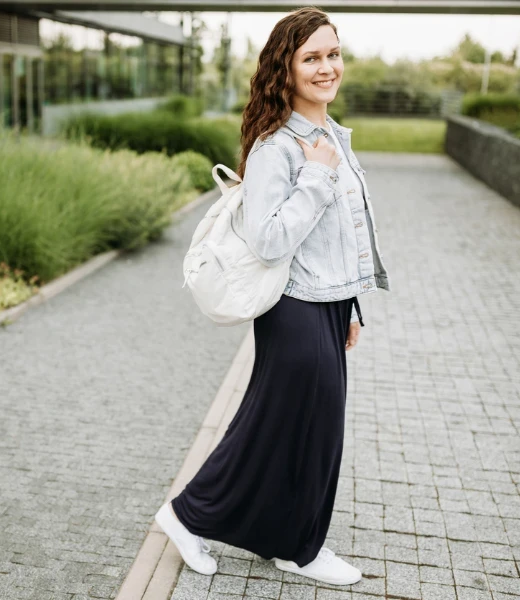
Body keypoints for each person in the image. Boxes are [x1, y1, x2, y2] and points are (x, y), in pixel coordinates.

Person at [155, 6, 390, 587]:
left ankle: (287, 544)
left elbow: (345, 235)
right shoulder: (278, 147)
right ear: (284, 69)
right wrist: (315, 178)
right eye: (311, 57)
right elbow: (267, 239)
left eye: (333, 54)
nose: (326, 67)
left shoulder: (331, 134)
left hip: (327, 304)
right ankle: (192, 517)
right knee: (282, 430)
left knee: (304, 430)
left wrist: (352, 304)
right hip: (295, 309)